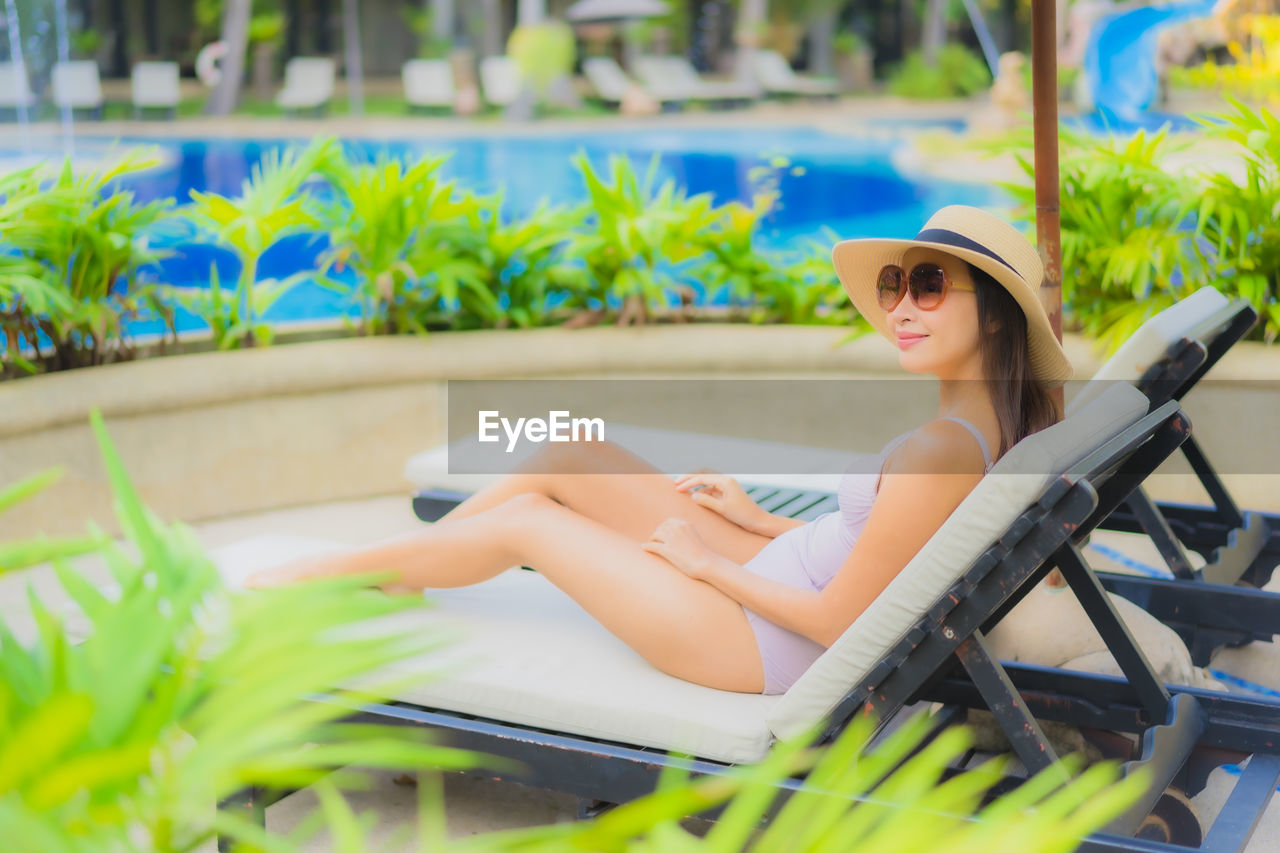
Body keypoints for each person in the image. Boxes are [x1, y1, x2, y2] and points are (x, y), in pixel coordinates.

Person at [244, 205, 1073, 696]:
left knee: (529, 519)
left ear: (996, 314)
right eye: (897, 284)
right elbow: (876, 555)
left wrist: (704, 562)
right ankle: (398, 568)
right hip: (769, 578)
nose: (901, 306)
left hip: (758, 639)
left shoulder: (944, 449)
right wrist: (751, 522)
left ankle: (319, 577)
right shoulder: (973, 430)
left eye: (929, 286)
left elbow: (842, 618)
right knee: (571, 451)